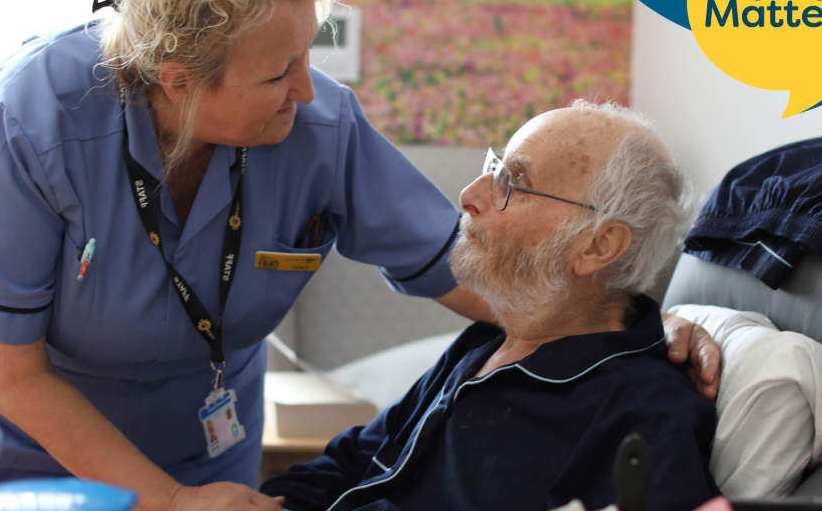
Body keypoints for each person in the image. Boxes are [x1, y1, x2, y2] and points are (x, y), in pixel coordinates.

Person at [0, 0, 720, 511]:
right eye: (277, 73)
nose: (306, 90)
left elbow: (464, 262)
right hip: (34, 447)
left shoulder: (317, 124)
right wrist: (165, 501)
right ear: (178, 82)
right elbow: (10, 373)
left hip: (204, 445)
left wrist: (634, 324)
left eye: (310, 55)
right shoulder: (26, 125)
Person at [260, 103, 721, 511]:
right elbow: (357, 460)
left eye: (513, 182)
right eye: (494, 167)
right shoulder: (486, 343)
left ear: (597, 246)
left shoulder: (640, 421)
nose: (469, 195)